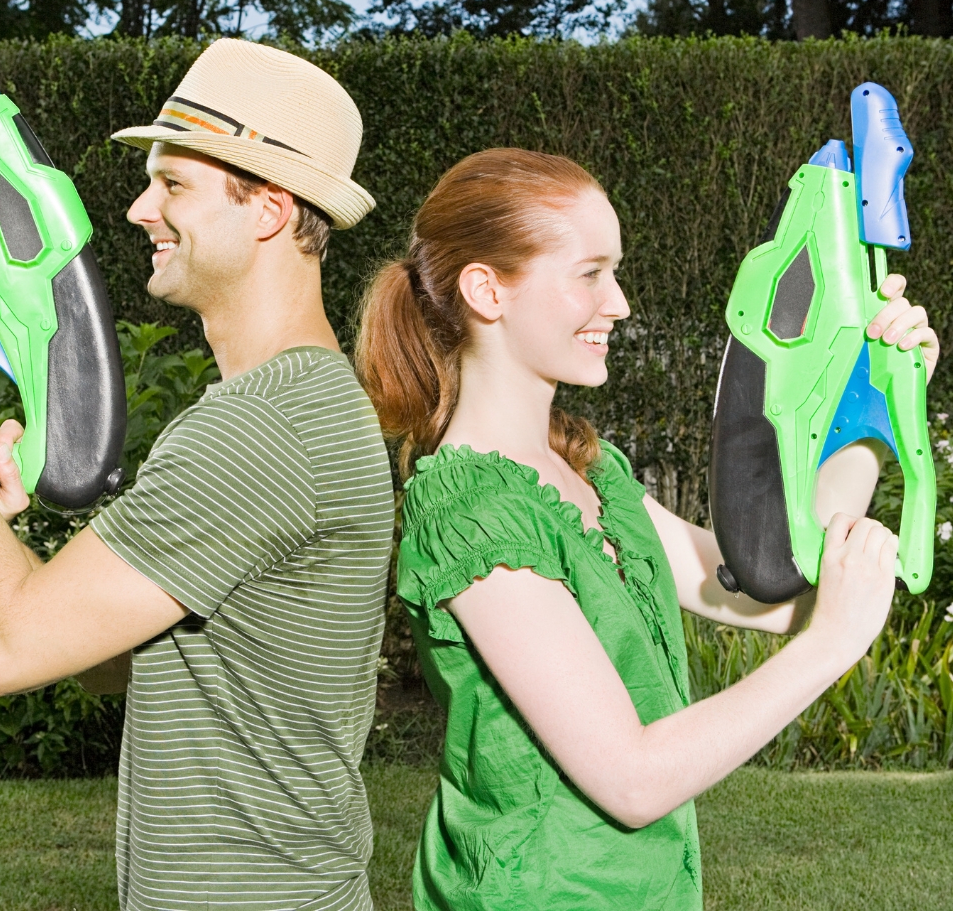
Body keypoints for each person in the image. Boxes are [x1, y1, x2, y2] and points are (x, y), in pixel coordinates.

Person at [0, 39, 395, 911]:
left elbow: (5, 653)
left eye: (174, 184)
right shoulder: (306, 402)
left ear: (268, 210)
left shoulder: (259, 429)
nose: (136, 208)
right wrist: (13, 531)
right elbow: (111, 659)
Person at [354, 148, 940, 911]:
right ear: (487, 289)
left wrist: (876, 398)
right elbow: (633, 779)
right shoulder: (474, 511)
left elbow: (762, 589)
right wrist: (830, 646)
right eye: (590, 273)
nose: (621, 302)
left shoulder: (595, 475)